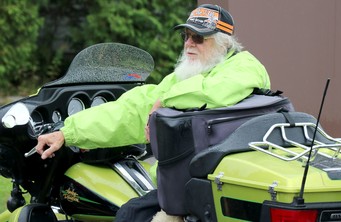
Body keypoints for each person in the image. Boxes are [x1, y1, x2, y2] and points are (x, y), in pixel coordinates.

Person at [35, 3, 271, 222]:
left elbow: (216, 91)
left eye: (199, 38)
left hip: (214, 187)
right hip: (186, 181)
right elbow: (132, 110)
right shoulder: (186, 76)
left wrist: (164, 101)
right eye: (186, 36)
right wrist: (69, 132)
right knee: (127, 209)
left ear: (225, 43)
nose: (189, 43)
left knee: (129, 215)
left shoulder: (245, 66)